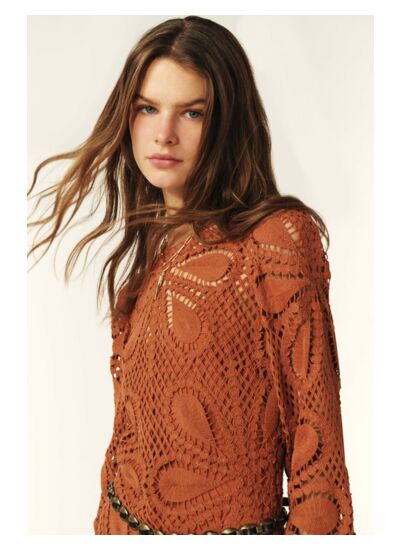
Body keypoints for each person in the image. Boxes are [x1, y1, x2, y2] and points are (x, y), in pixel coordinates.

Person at [27, 15, 356, 535]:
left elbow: (318, 453)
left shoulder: (275, 238)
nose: (164, 134)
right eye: (148, 108)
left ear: (228, 122)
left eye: (193, 112)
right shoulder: (157, 244)